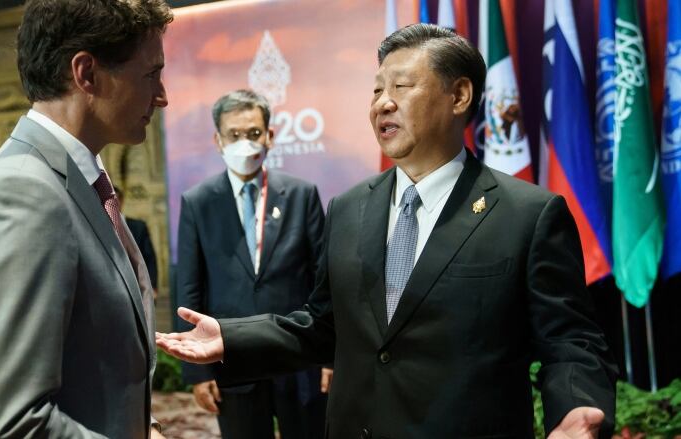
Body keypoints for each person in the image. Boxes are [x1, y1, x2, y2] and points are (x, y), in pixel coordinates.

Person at [157, 24, 618, 439]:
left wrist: (578, 408)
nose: (383, 102)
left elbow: (570, 340)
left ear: (459, 96)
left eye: (401, 86)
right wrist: (234, 337)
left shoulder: (527, 215)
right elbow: (324, 326)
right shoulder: (348, 208)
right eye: (377, 89)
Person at [0, 1, 173, 437]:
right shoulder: (21, 193)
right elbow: (6, 425)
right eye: (151, 74)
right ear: (86, 73)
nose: (161, 96)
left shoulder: (77, 180)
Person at [176, 89, 329, 439]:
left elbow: (324, 279)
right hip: (232, 360)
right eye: (234, 135)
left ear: (270, 136)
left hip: (298, 360)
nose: (244, 143)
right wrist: (199, 374)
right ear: (218, 140)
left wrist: (329, 357)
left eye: (253, 133)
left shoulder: (301, 194)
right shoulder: (198, 202)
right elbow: (189, 288)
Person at [115, 185, 159, 295]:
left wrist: (153, 286)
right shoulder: (101, 228)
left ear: (121, 200)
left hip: (138, 288)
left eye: (115, 200)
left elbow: (149, 258)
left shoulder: (139, 227)